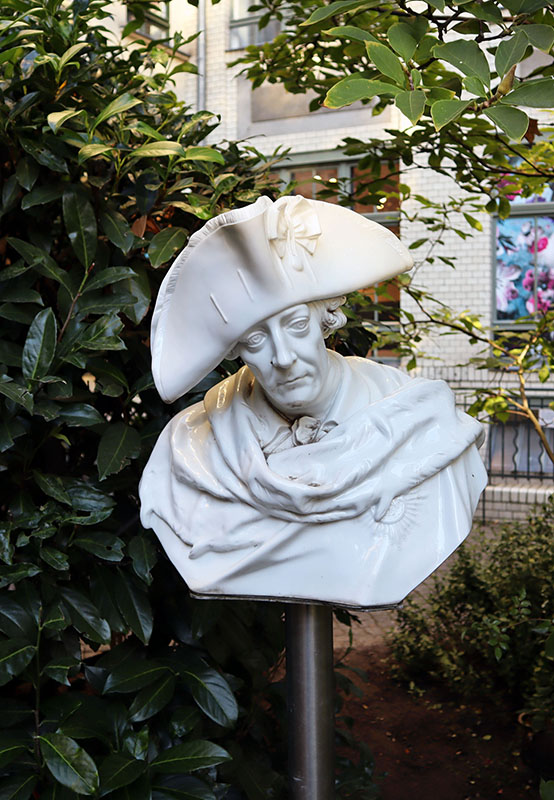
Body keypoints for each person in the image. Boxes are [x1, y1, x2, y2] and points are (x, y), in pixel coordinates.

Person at [139, 195, 487, 607]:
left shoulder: (422, 422)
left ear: (326, 320)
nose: (284, 357)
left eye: (297, 325)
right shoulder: (189, 450)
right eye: (256, 339)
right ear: (236, 350)